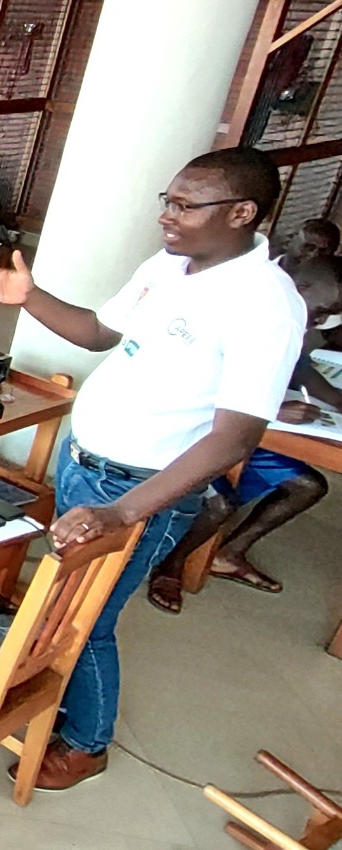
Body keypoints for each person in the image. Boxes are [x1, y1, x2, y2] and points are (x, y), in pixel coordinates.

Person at [0, 147, 304, 791]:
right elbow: (99, 332)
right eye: (167, 201)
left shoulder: (266, 305)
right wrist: (28, 297)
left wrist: (121, 512)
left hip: (135, 490)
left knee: (88, 617)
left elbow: (235, 437)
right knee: (65, 602)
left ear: (242, 212)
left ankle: (85, 745)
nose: (166, 216)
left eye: (185, 205)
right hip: (84, 462)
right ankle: (46, 692)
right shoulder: (168, 265)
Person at [145, 254, 342, 612]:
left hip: (237, 433)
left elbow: (301, 369)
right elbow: (179, 376)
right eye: (321, 312)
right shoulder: (237, 305)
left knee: (308, 485)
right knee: (221, 503)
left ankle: (228, 555)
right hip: (190, 428)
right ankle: (171, 566)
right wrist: (269, 408)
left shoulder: (289, 317)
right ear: (301, 288)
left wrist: (335, 400)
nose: (320, 322)